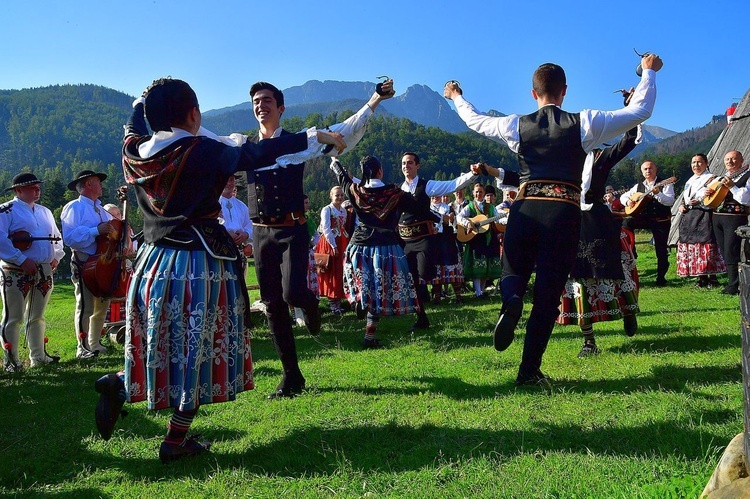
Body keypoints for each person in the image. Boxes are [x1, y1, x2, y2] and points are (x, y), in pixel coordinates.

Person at [92, 77, 346, 462]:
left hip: (152, 265)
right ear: (194, 114)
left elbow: (131, 128)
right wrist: (316, 136)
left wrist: (139, 103)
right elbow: (260, 154)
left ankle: (122, 385)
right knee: (200, 351)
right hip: (199, 265)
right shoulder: (203, 151)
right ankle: (174, 439)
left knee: (162, 346)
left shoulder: (134, 153)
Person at [444, 54, 662, 386]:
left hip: (525, 206)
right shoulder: (585, 122)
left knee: (513, 270)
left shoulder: (515, 124)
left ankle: (511, 300)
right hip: (563, 212)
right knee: (547, 297)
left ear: (534, 94)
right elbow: (640, 112)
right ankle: (528, 370)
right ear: (564, 92)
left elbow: (474, 120)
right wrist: (648, 72)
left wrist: (456, 95)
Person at [239, 79, 393, 398]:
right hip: (260, 231)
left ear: (280, 108)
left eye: (267, 100)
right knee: (271, 305)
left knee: (293, 292)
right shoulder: (244, 146)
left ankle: (309, 302)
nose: (260, 104)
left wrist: (375, 99)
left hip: (292, 228)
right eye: (256, 100)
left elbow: (344, 131)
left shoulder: (299, 142)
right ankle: (292, 376)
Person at [330, 156, 439, 348]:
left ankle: (358, 302)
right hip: (385, 248)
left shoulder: (355, 190)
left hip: (359, 247)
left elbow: (342, 178)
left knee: (366, 289)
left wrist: (334, 160)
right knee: (378, 293)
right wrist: (437, 218)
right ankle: (369, 336)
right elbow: (419, 209)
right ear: (380, 171)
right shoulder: (394, 193)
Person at [557, 126, 641, 357]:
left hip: (598, 221)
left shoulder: (600, 158)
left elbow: (626, 144)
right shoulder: (561, 163)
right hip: (571, 221)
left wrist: (631, 118)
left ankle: (628, 310)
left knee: (614, 269)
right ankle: (589, 342)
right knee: (576, 278)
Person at [398, 152, 478, 329]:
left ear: (417, 165)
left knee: (425, 273)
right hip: (406, 241)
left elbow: (452, 185)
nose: (406, 166)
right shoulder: (398, 190)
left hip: (424, 239)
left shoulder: (427, 186)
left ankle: (428, 291)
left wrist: (473, 174)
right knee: (410, 278)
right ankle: (421, 317)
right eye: (403, 163)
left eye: (410, 163)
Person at [0, 173, 64, 371]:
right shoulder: (6, 211)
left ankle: (38, 356)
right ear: (19, 190)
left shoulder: (45, 211)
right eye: (32, 188)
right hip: (15, 270)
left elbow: (56, 237)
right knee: (14, 316)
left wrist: (56, 256)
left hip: (44, 269)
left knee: (37, 315)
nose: (38, 190)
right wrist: (21, 259)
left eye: (38, 187)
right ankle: (11, 361)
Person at [61, 169, 115, 358]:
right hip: (85, 260)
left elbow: (112, 232)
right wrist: (95, 231)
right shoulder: (73, 207)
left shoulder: (101, 209)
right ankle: (82, 347)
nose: (101, 185)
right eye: (98, 182)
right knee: (85, 305)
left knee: (102, 306)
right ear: (88, 184)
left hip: (103, 262)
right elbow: (70, 238)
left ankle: (94, 343)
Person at [620, 160, 675, 286]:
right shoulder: (638, 186)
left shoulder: (665, 183)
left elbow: (670, 201)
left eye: (650, 168)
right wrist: (628, 202)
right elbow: (623, 197)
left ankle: (661, 278)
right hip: (645, 219)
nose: (648, 171)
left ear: (655, 169)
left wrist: (658, 194)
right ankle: (631, 249)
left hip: (661, 220)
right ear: (642, 171)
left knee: (660, 249)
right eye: (645, 169)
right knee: (627, 223)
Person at [676, 154, 725, 288]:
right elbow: (685, 198)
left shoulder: (713, 179)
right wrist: (682, 205)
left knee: (707, 245)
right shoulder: (689, 181)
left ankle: (713, 277)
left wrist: (701, 200)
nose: (696, 165)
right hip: (689, 216)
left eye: (699, 162)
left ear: (706, 163)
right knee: (693, 246)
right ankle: (701, 277)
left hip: (704, 215)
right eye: (693, 162)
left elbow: (716, 197)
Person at [705, 150, 750, 295]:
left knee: (732, 249)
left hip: (735, 217)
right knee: (724, 250)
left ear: (741, 161)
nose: (730, 162)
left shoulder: (747, 176)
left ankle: (735, 285)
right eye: (727, 159)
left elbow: (746, 199)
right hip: (717, 216)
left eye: (734, 159)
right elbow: (707, 199)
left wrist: (732, 187)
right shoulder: (720, 178)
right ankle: (733, 281)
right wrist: (707, 194)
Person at [457, 182, 504, 298]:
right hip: (476, 239)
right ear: (473, 193)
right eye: (476, 192)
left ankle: (481, 291)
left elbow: (498, 221)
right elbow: (459, 217)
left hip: (489, 238)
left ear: (484, 193)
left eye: (481, 192)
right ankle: (478, 292)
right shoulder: (470, 207)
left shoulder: (491, 208)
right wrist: (468, 223)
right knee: (477, 265)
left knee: (486, 266)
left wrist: (507, 218)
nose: (478, 194)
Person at [315, 186, 350, 314]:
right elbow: (326, 228)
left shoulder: (343, 211)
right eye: (337, 195)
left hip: (342, 241)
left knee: (340, 271)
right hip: (330, 243)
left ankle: (338, 301)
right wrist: (333, 245)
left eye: (341, 195)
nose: (339, 197)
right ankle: (332, 303)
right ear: (331, 196)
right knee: (331, 270)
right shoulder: (327, 210)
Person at [429, 195, 464, 304]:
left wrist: (451, 219)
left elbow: (452, 222)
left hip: (447, 240)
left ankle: (458, 296)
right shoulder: (427, 208)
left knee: (451, 264)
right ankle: (437, 297)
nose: (436, 197)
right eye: (433, 196)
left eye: (438, 195)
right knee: (436, 268)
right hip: (433, 241)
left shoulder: (448, 207)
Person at [219, 174, 254, 258]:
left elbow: (250, 225)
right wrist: (225, 233)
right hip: (219, 249)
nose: (228, 183)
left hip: (239, 251)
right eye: (225, 180)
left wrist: (246, 234)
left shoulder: (242, 206)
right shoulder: (213, 204)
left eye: (231, 180)